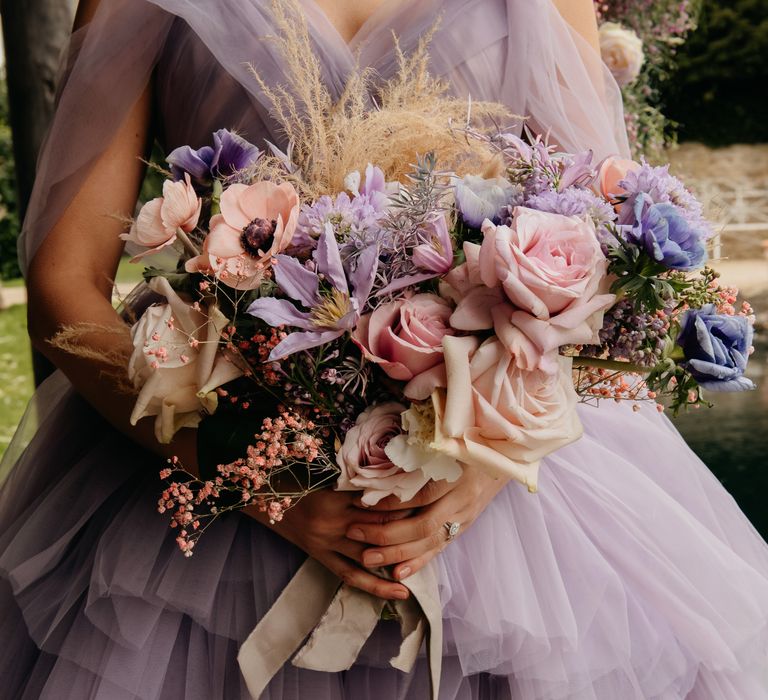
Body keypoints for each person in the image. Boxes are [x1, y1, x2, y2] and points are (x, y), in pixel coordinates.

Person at [2, 0, 768, 697]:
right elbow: (65, 281)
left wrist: (494, 461)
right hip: (218, 486)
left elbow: (607, 236)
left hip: (511, 501)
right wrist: (253, 474)